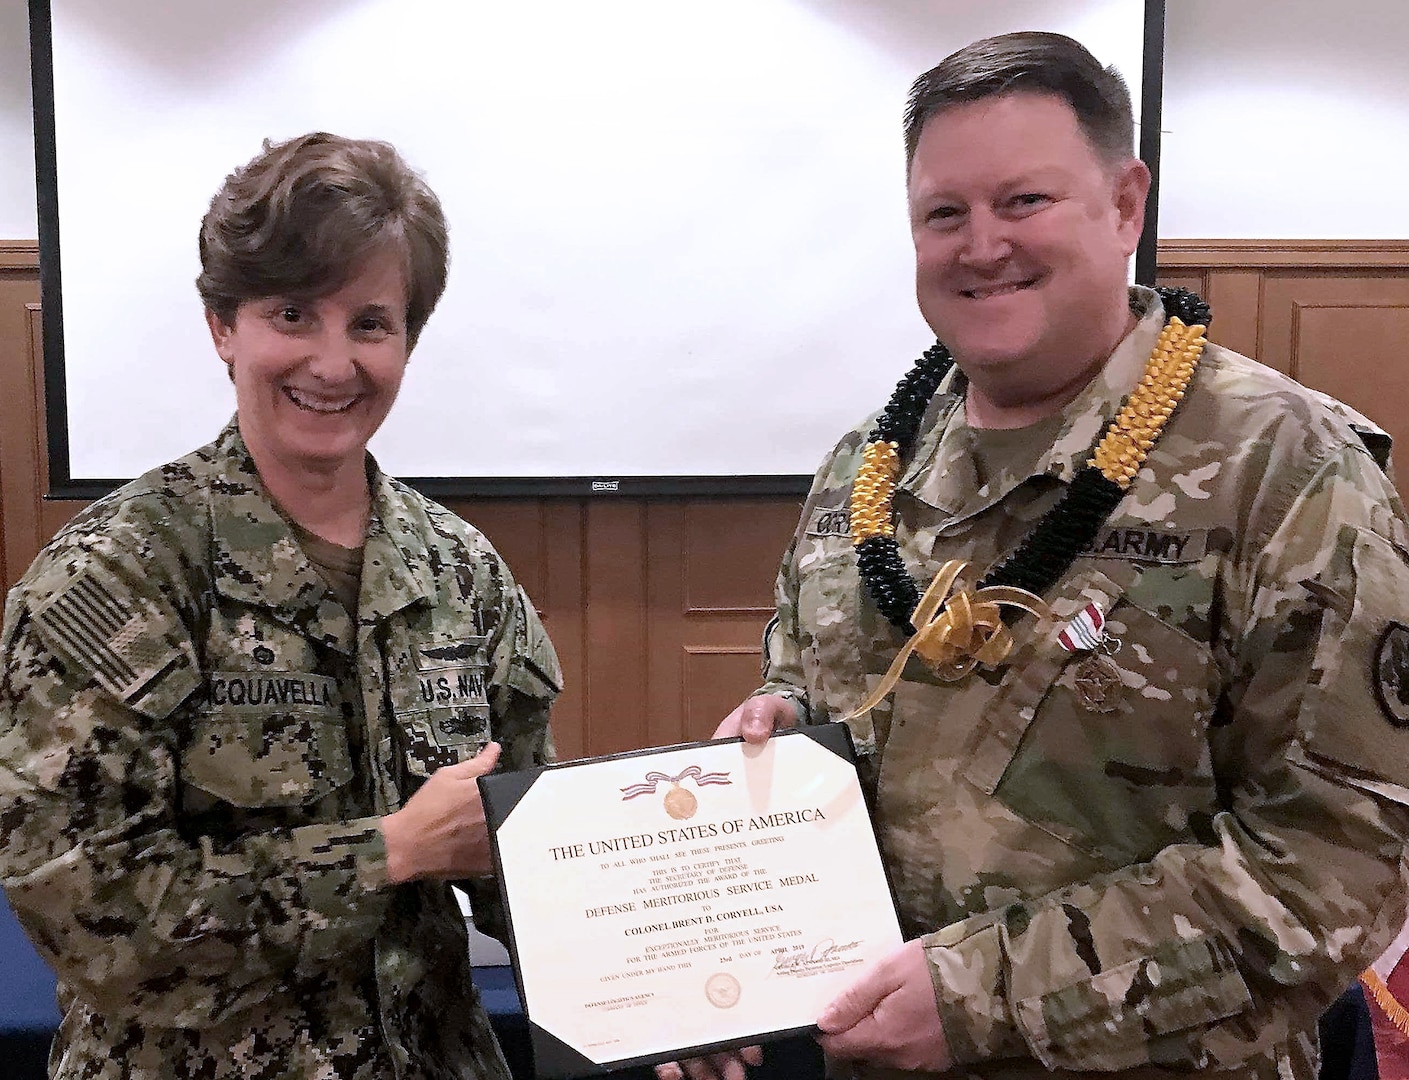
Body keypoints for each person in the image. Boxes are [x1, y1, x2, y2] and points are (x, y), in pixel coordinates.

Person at [670, 30, 1409, 1080]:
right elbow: (803, 690)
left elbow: (1333, 869)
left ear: (1122, 206)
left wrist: (980, 997)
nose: (980, 246)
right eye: (943, 213)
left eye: (1022, 202)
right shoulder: (864, 467)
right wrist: (779, 750)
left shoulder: (1282, 469)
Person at [0, 133, 560, 1079]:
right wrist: (387, 852)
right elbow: (98, 921)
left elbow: (531, 857)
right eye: (293, 313)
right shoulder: (116, 578)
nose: (332, 364)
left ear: (408, 340)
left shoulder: (463, 574)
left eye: (370, 323)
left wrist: (672, 989)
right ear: (225, 326)